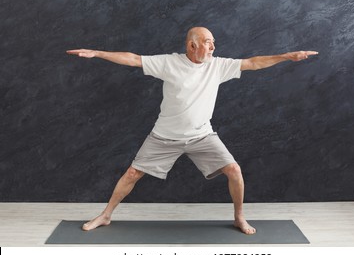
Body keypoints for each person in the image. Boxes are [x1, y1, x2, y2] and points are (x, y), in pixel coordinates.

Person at [67, 27, 318, 235]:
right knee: (132, 173)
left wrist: (286, 56)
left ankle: (239, 218)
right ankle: (106, 215)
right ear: (192, 45)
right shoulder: (169, 63)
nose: (212, 47)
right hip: (164, 137)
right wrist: (97, 53)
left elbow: (252, 63)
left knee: (234, 170)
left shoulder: (217, 66)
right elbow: (133, 58)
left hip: (202, 136)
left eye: (213, 43)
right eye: (208, 43)